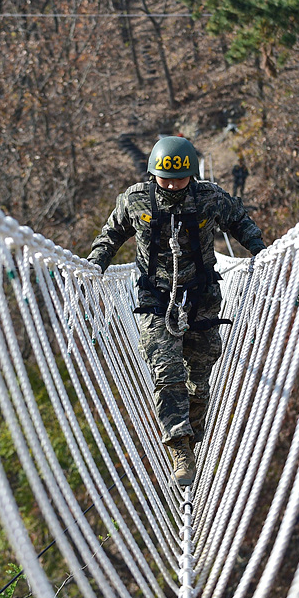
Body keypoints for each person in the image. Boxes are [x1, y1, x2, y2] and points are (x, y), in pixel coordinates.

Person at [87, 136, 266, 486]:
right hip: (155, 301)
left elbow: (241, 223)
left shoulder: (209, 198)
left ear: (192, 175)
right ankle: (180, 448)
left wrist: (262, 254)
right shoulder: (135, 199)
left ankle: (192, 431)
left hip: (200, 299)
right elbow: (109, 237)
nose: (170, 185)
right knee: (165, 371)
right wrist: (94, 268)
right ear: (153, 173)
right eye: (164, 178)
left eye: (178, 178)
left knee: (198, 380)